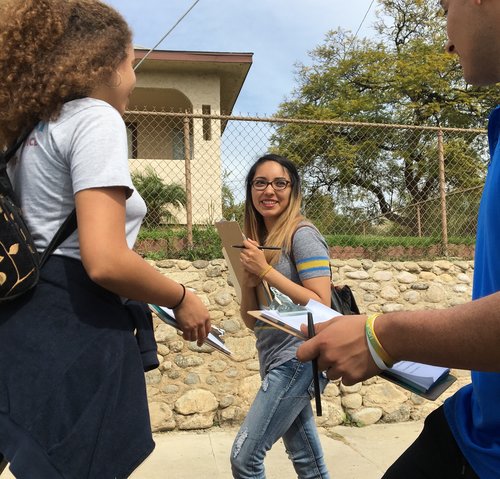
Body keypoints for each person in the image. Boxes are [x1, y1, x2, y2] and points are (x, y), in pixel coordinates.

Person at [0, 1, 211, 478]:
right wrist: (182, 297)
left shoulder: (29, 129)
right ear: (105, 64)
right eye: (130, 62)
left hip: (22, 326)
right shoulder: (95, 118)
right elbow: (105, 260)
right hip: (75, 330)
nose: (134, 79)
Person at [297, 0, 500, 477]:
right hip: (476, 429)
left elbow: (316, 296)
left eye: (446, 7)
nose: (446, 39)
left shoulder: (304, 235)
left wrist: (382, 334)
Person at [230, 153, 332, 479]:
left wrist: (265, 272)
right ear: (250, 190)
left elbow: (323, 306)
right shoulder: (258, 243)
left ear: (293, 191)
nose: (269, 191)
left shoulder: (302, 235)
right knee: (308, 463)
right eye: (260, 183)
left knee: (244, 459)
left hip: (298, 359)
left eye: (279, 183)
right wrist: (249, 283)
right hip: (274, 358)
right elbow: (252, 322)